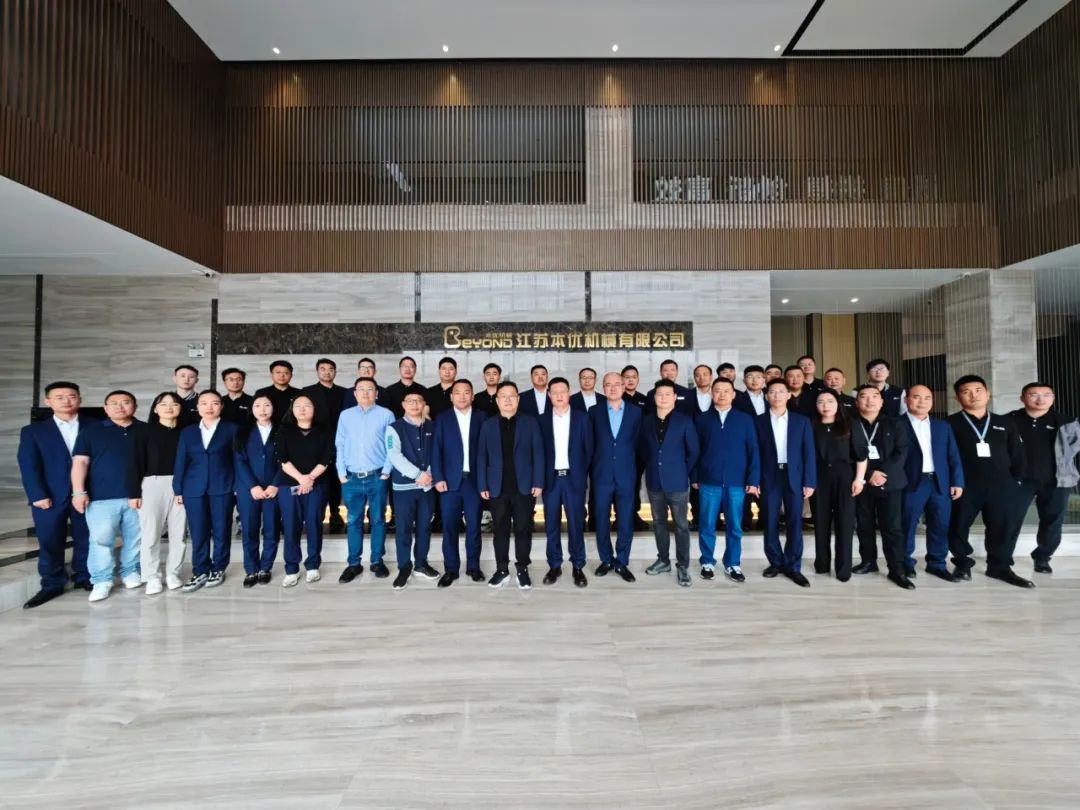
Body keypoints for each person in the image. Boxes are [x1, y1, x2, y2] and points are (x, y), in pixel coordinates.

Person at [947, 375, 1030, 587]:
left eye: (978, 390)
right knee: (958, 526)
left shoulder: (1004, 422)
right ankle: (962, 564)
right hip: (965, 485)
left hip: (1002, 485)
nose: (973, 395)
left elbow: (1017, 453)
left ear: (987, 394)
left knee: (1002, 527)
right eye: (966, 392)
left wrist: (1017, 480)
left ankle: (999, 567)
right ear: (957, 397)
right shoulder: (949, 423)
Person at [17, 381, 91, 608]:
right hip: (49, 495)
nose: (66, 401)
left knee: (87, 537)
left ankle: (84, 576)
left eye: (71, 396)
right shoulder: (33, 431)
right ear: (48, 401)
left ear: (79, 399)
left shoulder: (96, 426)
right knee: (49, 540)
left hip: (87, 493)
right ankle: (52, 583)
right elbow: (28, 465)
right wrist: (37, 494)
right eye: (59, 397)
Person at [71, 390, 144, 603]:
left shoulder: (146, 430)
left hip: (138, 496)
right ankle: (101, 580)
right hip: (101, 497)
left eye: (126, 402)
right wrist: (78, 491)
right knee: (101, 540)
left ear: (135, 406)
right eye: (114, 403)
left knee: (136, 538)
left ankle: (131, 571)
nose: (120, 407)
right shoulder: (90, 432)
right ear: (105, 408)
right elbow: (80, 462)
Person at [477, 381, 544, 589]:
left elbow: (538, 453)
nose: (507, 400)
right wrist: (482, 484)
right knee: (500, 531)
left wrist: (538, 481)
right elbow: (481, 457)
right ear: (497, 401)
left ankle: (522, 569)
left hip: (524, 487)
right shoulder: (488, 425)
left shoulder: (530, 422)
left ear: (518, 399)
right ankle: (502, 570)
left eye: (511, 396)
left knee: (523, 529)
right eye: (503, 396)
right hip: (497, 488)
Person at [692, 379, 759, 583]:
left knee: (735, 526)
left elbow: (753, 451)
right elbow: (694, 451)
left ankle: (733, 563)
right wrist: (694, 477)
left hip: (737, 482)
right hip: (708, 481)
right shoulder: (701, 419)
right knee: (707, 524)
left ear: (733, 394)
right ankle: (707, 562)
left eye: (726, 391)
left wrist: (753, 479)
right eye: (717, 391)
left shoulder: (745, 419)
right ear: (711, 394)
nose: (721, 394)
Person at [173, 390, 239, 593]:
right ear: (197, 407)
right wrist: (178, 489)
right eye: (204, 403)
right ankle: (200, 570)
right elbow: (181, 461)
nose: (209, 407)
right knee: (198, 531)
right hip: (193, 488)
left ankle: (218, 568)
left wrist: (237, 486)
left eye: (215, 403)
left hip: (223, 486)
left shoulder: (232, 429)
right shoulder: (188, 432)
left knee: (221, 530)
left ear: (221, 406)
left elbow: (237, 460)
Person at [850, 385, 913, 589]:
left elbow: (902, 452)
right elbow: (847, 453)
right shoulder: (850, 424)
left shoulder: (895, 423)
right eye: (864, 397)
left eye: (874, 396)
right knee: (864, 525)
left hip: (890, 482)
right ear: (857, 401)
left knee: (892, 527)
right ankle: (869, 561)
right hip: (861, 483)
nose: (869, 400)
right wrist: (869, 474)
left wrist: (881, 474)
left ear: (882, 401)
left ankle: (896, 568)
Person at [638, 381, 700, 587]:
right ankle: (663, 560)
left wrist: (682, 470)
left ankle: (683, 566)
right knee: (659, 523)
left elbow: (693, 451)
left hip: (677, 482)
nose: (663, 398)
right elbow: (643, 449)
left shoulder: (685, 421)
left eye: (667, 394)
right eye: (659, 394)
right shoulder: (646, 421)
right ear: (654, 397)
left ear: (674, 397)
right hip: (654, 481)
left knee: (681, 525)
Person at [755, 379, 816, 587]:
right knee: (770, 520)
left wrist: (809, 481)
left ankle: (793, 566)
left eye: (781, 391)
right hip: (769, 476)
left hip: (794, 477)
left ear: (789, 395)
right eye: (772, 392)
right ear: (766, 396)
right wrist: (754, 480)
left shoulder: (802, 421)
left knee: (795, 521)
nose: (777, 396)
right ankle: (775, 562)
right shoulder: (759, 421)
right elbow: (755, 453)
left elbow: (809, 453)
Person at [901, 385, 964, 582]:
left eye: (927, 398)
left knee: (940, 524)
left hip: (939, 483)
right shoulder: (895, 424)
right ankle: (904, 563)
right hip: (910, 482)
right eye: (916, 397)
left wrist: (957, 482)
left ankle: (937, 564)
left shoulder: (942, 426)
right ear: (906, 400)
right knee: (907, 524)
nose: (922, 402)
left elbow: (953, 455)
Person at [1008, 382, 1072, 575]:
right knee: (1009, 519)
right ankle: (1002, 557)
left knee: (1052, 520)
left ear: (1053, 398)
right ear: (1022, 398)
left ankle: (1042, 557)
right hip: (1017, 480)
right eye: (1033, 394)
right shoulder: (1008, 420)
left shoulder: (1066, 422)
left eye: (1046, 395)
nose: (1040, 399)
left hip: (1056, 481)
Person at [127, 392, 187, 595]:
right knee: (151, 533)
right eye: (163, 404)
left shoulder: (187, 432)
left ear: (180, 408)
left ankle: (173, 573)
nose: (169, 407)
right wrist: (134, 493)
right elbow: (134, 463)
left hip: (181, 485)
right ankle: (151, 576)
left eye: (174, 404)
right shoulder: (143, 432)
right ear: (155, 408)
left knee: (179, 533)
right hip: (152, 484)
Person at [336, 376, 394, 583]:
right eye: (361, 389)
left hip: (377, 476)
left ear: (376, 393)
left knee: (378, 519)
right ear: (355, 393)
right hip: (351, 478)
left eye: (370, 389)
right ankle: (354, 564)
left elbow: (392, 444)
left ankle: (377, 561)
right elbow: (340, 443)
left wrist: (386, 471)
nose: (365, 393)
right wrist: (341, 471)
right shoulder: (345, 415)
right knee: (353, 521)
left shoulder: (386, 414)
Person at [538, 377, 593, 587]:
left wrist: (580, 473)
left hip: (574, 479)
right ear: (549, 395)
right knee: (551, 525)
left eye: (563, 391)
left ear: (569, 393)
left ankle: (578, 565)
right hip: (551, 480)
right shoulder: (541, 420)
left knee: (576, 525)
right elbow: (538, 453)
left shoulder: (582, 418)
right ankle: (555, 565)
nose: (559, 395)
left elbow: (589, 450)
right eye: (555, 392)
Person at [431, 379, 487, 587]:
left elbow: (487, 452)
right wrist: (438, 477)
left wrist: (485, 482)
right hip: (449, 483)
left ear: (472, 396)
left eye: (466, 392)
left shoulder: (482, 417)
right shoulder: (442, 418)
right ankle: (451, 569)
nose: (462, 396)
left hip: (474, 482)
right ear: (451, 396)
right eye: (458, 392)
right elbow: (436, 450)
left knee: (474, 527)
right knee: (449, 527)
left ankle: (473, 567)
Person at [275, 394, 334, 587]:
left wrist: (310, 479)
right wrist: (302, 479)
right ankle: (291, 569)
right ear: (292, 410)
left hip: (317, 485)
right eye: (297, 406)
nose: (302, 409)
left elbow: (327, 458)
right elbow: (283, 459)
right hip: (289, 485)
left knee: (314, 525)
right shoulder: (284, 431)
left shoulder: (324, 430)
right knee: (290, 526)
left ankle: (313, 566)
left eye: (307, 405)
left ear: (314, 409)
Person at [385, 389, 441, 589]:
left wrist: (431, 474)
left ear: (424, 404)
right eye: (410, 401)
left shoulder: (434, 426)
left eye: (418, 401)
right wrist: (418, 475)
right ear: (403, 405)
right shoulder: (394, 428)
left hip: (427, 487)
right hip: (404, 488)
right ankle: (404, 567)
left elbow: (439, 452)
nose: (415, 404)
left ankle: (421, 564)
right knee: (403, 528)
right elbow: (394, 456)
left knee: (424, 526)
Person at [590, 372, 642, 582]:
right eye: (608, 385)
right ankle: (606, 559)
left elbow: (638, 444)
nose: (612, 388)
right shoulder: (594, 412)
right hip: (601, 474)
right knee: (601, 519)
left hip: (626, 475)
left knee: (625, 520)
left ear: (623, 386)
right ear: (603, 388)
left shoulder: (636, 412)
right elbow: (590, 443)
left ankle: (621, 561)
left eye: (617, 384)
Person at [811, 389, 867, 581]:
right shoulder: (811, 425)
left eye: (830, 401)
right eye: (820, 402)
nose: (825, 405)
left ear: (838, 404)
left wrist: (859, 479)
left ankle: (843, 569)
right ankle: (822, 564)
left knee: (845, 522)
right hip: (819, 476)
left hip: (845, 476)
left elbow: (861, 455)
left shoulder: (850, 424)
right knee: (820, 521)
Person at [233, 394, 281, 587]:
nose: (262, 409)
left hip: (273, 489)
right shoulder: (242, 432)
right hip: (248, 489)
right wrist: (252, 485)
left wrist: (275, 484)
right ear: (251, 409)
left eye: (267, 405)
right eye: (258, 405)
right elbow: (239, 461)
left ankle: (265, 568)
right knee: (249, 529)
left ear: (273, 408)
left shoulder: (281, 431)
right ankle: (251, 569)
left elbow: (285, 461)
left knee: (271, 528)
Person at [302, 358, 350, 533]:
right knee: (318, 477)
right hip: (316, 442)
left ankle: (335, 512)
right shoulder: (307, 392)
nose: (327, 372)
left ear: (335, 372)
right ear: (317, 372)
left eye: (330, 369)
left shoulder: (345, 392)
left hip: (340, 442)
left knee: (337, 479)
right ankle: (317, 513)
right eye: (322, 369)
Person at [621, 365, 648, 530]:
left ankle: (633, 514)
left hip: (639, 451)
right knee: (621, 484)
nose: (630, 380)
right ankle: (621, 515)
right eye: (627, 377)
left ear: (638, 379)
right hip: (621, 451)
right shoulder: (617, 398)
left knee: (636, 483)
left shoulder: (645, 399)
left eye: (633, 377)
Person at [254, 360, 301, 425]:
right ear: (271, 375)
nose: (282, 375)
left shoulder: (299, 393)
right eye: (278, 372)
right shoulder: (261, 392)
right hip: (269, 428)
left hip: (292, 428)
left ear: (291, 375)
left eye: (286, 373)